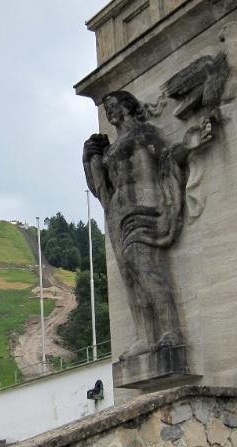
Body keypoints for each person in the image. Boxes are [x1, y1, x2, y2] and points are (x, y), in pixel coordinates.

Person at [83, 90, 212, 358]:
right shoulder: (113, 147)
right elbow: (102, 189)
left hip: (143, 205)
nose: (110, 112)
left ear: (129, 106)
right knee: (130, 275)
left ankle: (171, 331)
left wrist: (189, 146)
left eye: (114, 105)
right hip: (119, 211)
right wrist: (90, 159)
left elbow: (166, 155)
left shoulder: (143, 133)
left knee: (145, 267)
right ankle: (144, 335)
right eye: (107, 107)